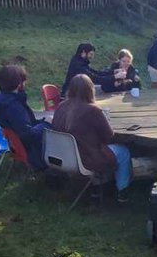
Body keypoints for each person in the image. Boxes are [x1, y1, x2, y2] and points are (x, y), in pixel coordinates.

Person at [51, 74, 133, 202]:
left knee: (102, 148)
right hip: (86, 158)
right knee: (123, 152)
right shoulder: (93, 110)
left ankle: (97, 186)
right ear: (90, 90)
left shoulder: (61, 106)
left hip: (63, 156)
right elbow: (109, 136)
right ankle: (122, 191)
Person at [0, 61, 50, 170]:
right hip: (32, 151)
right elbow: (28, 134)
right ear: (19, 84)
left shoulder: (0, 100)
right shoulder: (14, 107)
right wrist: (46, 124)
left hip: (16, 146)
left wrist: (41, 122)